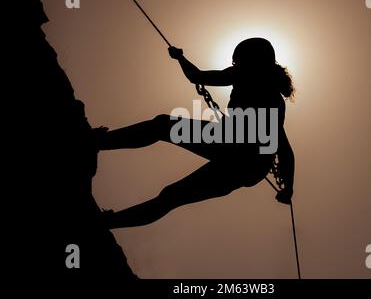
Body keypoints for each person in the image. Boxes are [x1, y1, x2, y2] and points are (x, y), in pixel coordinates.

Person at [97, 37, 295, 229]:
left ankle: (100, 143)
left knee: (163, 130)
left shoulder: (248, 79)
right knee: (172, 193)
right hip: (244, 159)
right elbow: (284, 149)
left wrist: (180, 58)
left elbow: (197, 76)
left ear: (250, 60)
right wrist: (288, 189)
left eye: (238, 60)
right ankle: (109, 221)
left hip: (239, 154)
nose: (235, 64)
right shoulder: (272, 99)